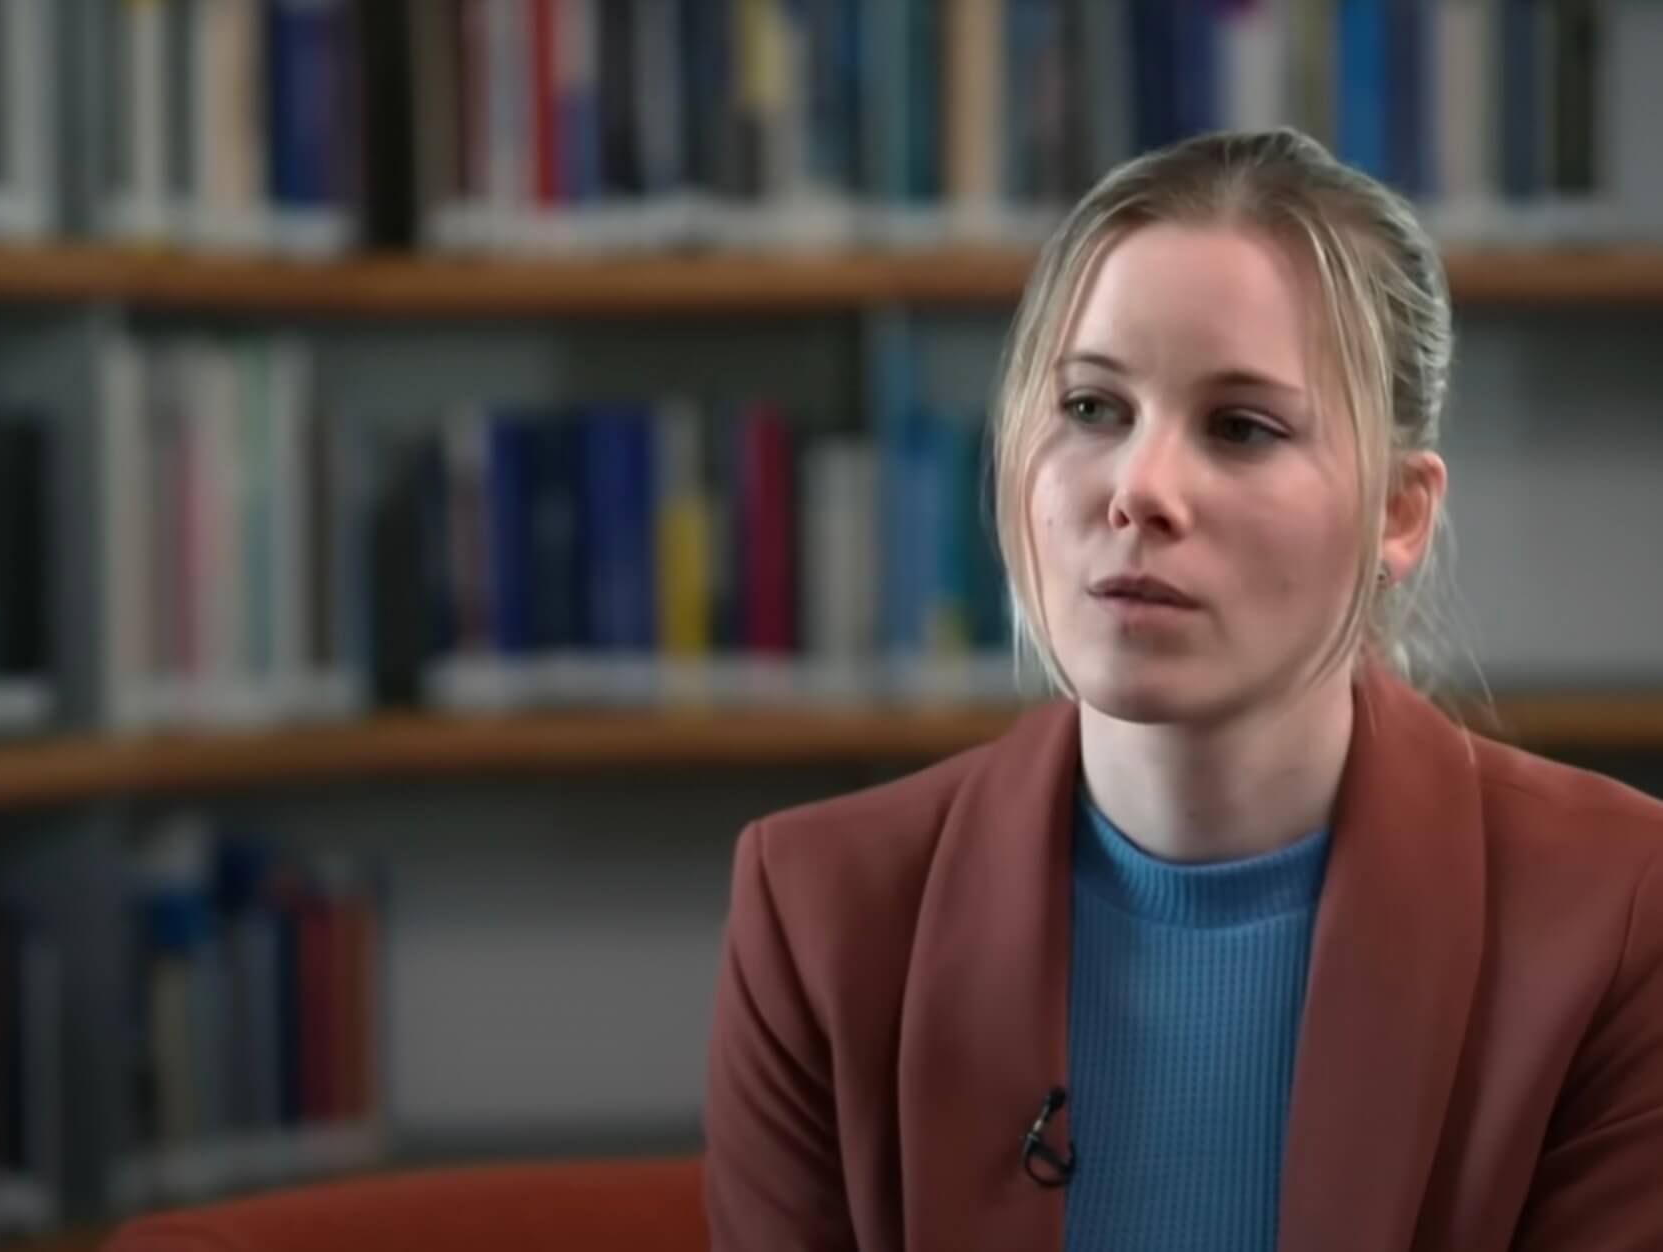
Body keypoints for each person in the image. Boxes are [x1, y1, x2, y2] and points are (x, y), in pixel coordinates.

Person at [701, 129, 1663, 1252]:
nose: (1140, 488)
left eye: (1242, 427)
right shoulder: (819, 915)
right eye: (1092, 408)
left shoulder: (1619, 916)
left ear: (1397, 514)